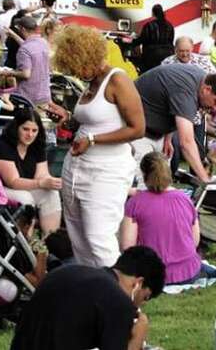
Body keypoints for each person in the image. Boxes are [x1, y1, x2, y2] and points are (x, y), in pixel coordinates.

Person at [53, 25, 146, 267]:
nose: (78, 73)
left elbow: (138, 128)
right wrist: (66, 118)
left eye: (78, 67)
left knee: (98, 238)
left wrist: (93, 141)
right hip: (76, 168)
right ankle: (92, 292)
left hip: (106, 169)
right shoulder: (90, 82)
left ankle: (122, 298)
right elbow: (93, 121)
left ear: (89, 56)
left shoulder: (117, 80)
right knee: (78, 237)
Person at [9, 246, 164, 350]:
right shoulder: (118, 302)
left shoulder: (68, 271)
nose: (141, 304)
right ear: (138, 283)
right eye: (145, 297)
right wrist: (138, 336)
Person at [134, 63, 216, 185]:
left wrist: (168, 135)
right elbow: (186, 143)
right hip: (137, 131)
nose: (215, 108)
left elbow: (169, 101)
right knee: (145, 186)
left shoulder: (201, 81)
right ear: (207, 90)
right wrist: (206, 180)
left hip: (156, 131)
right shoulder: (186, 91)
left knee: (161, 183)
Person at [121, 153, 203, 285]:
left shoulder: (135, 204)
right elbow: (194, 241)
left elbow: (127, 247)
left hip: (151, 276)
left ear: (144, 174)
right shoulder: (186, 199)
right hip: (189, 271)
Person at [0, 107, 62, 234]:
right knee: (25, 197)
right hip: (0, 189)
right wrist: (41, 183)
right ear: (16, 127)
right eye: (25, 129)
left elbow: (41, 175)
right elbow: (13, 181)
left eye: (34, 130)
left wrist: (50, 182)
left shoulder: (37, 145)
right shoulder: (2, 146)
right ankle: (23, 242)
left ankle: (49, 240)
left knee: (51, 193)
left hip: (26, 187)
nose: (30, 134)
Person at [8, 16, 51, 106]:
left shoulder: (24, 49)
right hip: (44, 95)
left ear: (22, 29)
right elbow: (29, 47)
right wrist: (13, 35)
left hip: (28, 98)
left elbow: (25, 74)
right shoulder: (43, 43)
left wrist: (9, 72)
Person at [128, 4, 174, 72]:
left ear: (153, 13)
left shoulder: (149, 25)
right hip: (168, 56)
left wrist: (131, 43)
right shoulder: (170, 25)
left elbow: (142, 39)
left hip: (151, 57)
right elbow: (171, 41)